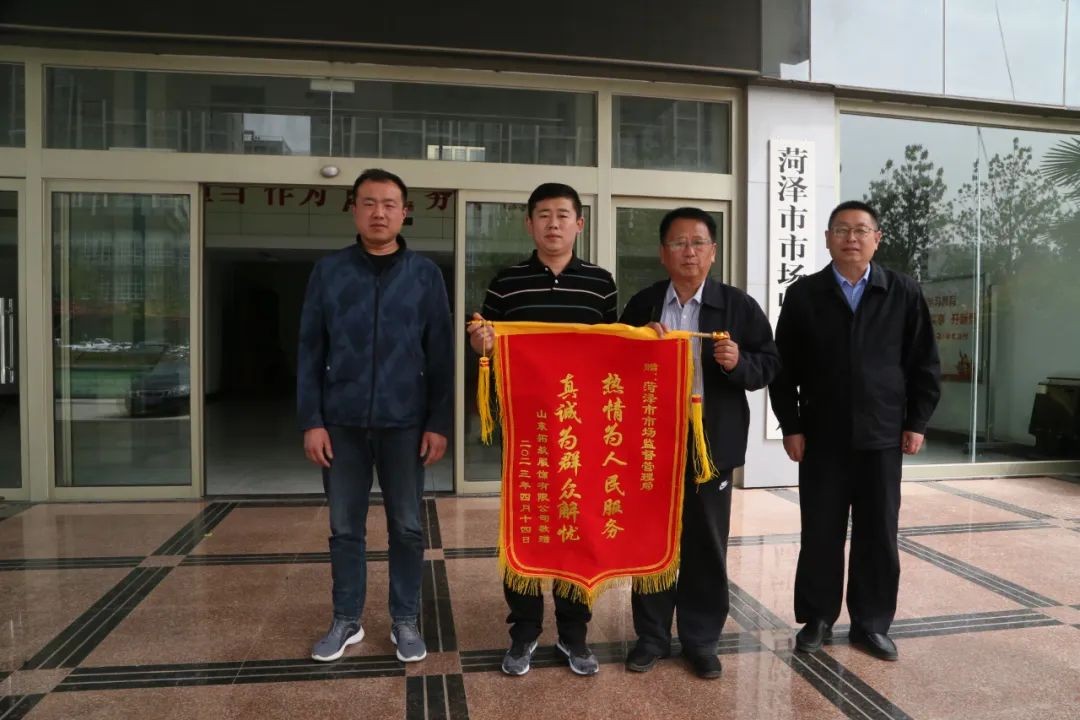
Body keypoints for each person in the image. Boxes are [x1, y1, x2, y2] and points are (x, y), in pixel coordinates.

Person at [769, 200, 941, 662]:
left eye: (861, 230)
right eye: (842, 230)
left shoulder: (902, 291)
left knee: (878, 533)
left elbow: (924, 363)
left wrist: (916, 422)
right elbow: (783, 370)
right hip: (822, 438)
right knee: (820, 531)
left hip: (882, 436)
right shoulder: (805, 294)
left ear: (876, 239)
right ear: (827, 238)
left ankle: (872, 624)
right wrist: (791, 426)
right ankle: (817, 619)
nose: (851, 238)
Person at [298, 168, 453, 664]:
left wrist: (439, 423)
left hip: (405, 423)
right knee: (345, 527)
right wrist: (312, 420)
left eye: (389, 204)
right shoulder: (329, 271)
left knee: (407, 526)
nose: (379, 213)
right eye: (369, 203)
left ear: (405, 212)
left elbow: (441, 353)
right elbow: (309, 350)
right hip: (341, 422)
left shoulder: (425, 275)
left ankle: (405, 620)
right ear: (354, 210)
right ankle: (346, 619)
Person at [619, 207, 780, 679]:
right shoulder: (645, 304)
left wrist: (738, 363)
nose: (688, 251)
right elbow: (614, 368)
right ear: (662, 253)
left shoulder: (737, 306)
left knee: (706, 542)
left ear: (713, 252)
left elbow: (770, 364)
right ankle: (651, 637)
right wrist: (637, 347)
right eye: (678, 242)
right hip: (653, 443)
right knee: (653, 541)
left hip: (712, 444)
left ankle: (701, 640)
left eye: (697, 242)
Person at [467, 183, 617, 676]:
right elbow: (487, 344)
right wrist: (482, 342)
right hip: (525, 429)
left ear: (579, 224)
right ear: (529, 224)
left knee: (576, 525)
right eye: (544, 215)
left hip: (581, 427)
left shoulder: (600, 283)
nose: (554, 224)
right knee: (526, 527)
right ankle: (524, 632)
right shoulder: (506, 283)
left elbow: (613, 350)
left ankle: (574, 635)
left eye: (563, 215)